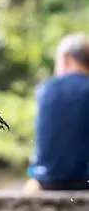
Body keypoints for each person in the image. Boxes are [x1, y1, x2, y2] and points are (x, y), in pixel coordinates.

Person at [24, 33, 89, 193]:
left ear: (66, 59)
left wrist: (36, 175)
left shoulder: (45, 89)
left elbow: (43, 146)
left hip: (48, 183)